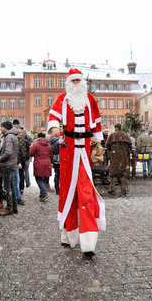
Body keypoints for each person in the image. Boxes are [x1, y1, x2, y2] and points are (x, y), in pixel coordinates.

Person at [47, 68, 106, 258]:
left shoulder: (89, 99)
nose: (75, 84)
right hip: (68, 152)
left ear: (82, 82)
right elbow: (53, 116)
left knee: (86, 193)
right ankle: (68, 235)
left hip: (85, 151)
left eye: (78, 81)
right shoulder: (63, 99)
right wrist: (55, 126)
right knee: (67, 193)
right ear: (68, 83)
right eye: (72, 81)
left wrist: (97, 143)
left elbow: (96, 123)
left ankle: (88, 242)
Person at [0, 121, 19, 216]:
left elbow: (8, 152)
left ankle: (9, 208)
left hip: (8, 165)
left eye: (1, 127)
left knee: (7, 187)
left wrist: (0, 159)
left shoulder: (9, 137)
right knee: (12, 186)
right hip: (13, 164)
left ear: (5, 127)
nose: (0, 128)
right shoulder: (13, 135)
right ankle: (14, 206)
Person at [106, 123, 132, 196]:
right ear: (121, 127)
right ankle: (123, 190)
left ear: (115, 127)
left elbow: (107, 145)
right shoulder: (125, 135)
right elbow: (130, 144)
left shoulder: (112, 135)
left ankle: (112, 190)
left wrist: (112, 150)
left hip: (114, 157)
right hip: (123, 157)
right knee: (123, 174)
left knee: (114, 174)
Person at [29, 132, 52, 201]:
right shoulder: (48, 145)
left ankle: (44, 193)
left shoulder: (36, 145)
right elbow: (51, 154)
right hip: (47, 163)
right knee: (45, 178)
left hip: (39, 163)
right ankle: (42, 194)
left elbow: (31, 153)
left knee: (38, 178)